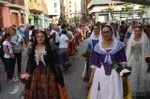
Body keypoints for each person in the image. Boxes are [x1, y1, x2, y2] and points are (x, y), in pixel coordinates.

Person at [25, 31, 68, 99]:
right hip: (36, 73)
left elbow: (55, 62)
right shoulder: (33, 48)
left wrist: (58, 73)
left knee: (50, 90)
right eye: (38, 37)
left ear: (45, 37)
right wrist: (28, 73)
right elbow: (30, 62)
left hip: (48, 73)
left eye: (42, 36)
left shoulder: (50, 48)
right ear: (35, 38)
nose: (40, 38)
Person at [89, 25, 127, 99]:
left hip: (116, 71)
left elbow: (124, 61)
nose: (106, 34)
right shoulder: (97, 47)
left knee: (115, 92)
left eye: (108, 32)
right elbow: (95, 64)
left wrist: (125, 77)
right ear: (102, 34)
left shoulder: (119, 45)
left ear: (112, 32)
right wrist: (91, 77)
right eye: (104, 32)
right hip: (101, 73)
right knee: (103, 92)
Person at [126, 25, 150, 98]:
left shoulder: (145, 40)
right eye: (135, 31)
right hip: (132, 60)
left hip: (142, 59)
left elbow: (147, 50)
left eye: (138, 31)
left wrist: (147, 60)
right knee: (133, 75)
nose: (137, 32)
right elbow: (128, 51)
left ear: (141, 31)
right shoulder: (131, 40)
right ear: (134, 32)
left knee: (142, 74)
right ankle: (133, 90)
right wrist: (126, 61)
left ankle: (141, 91)